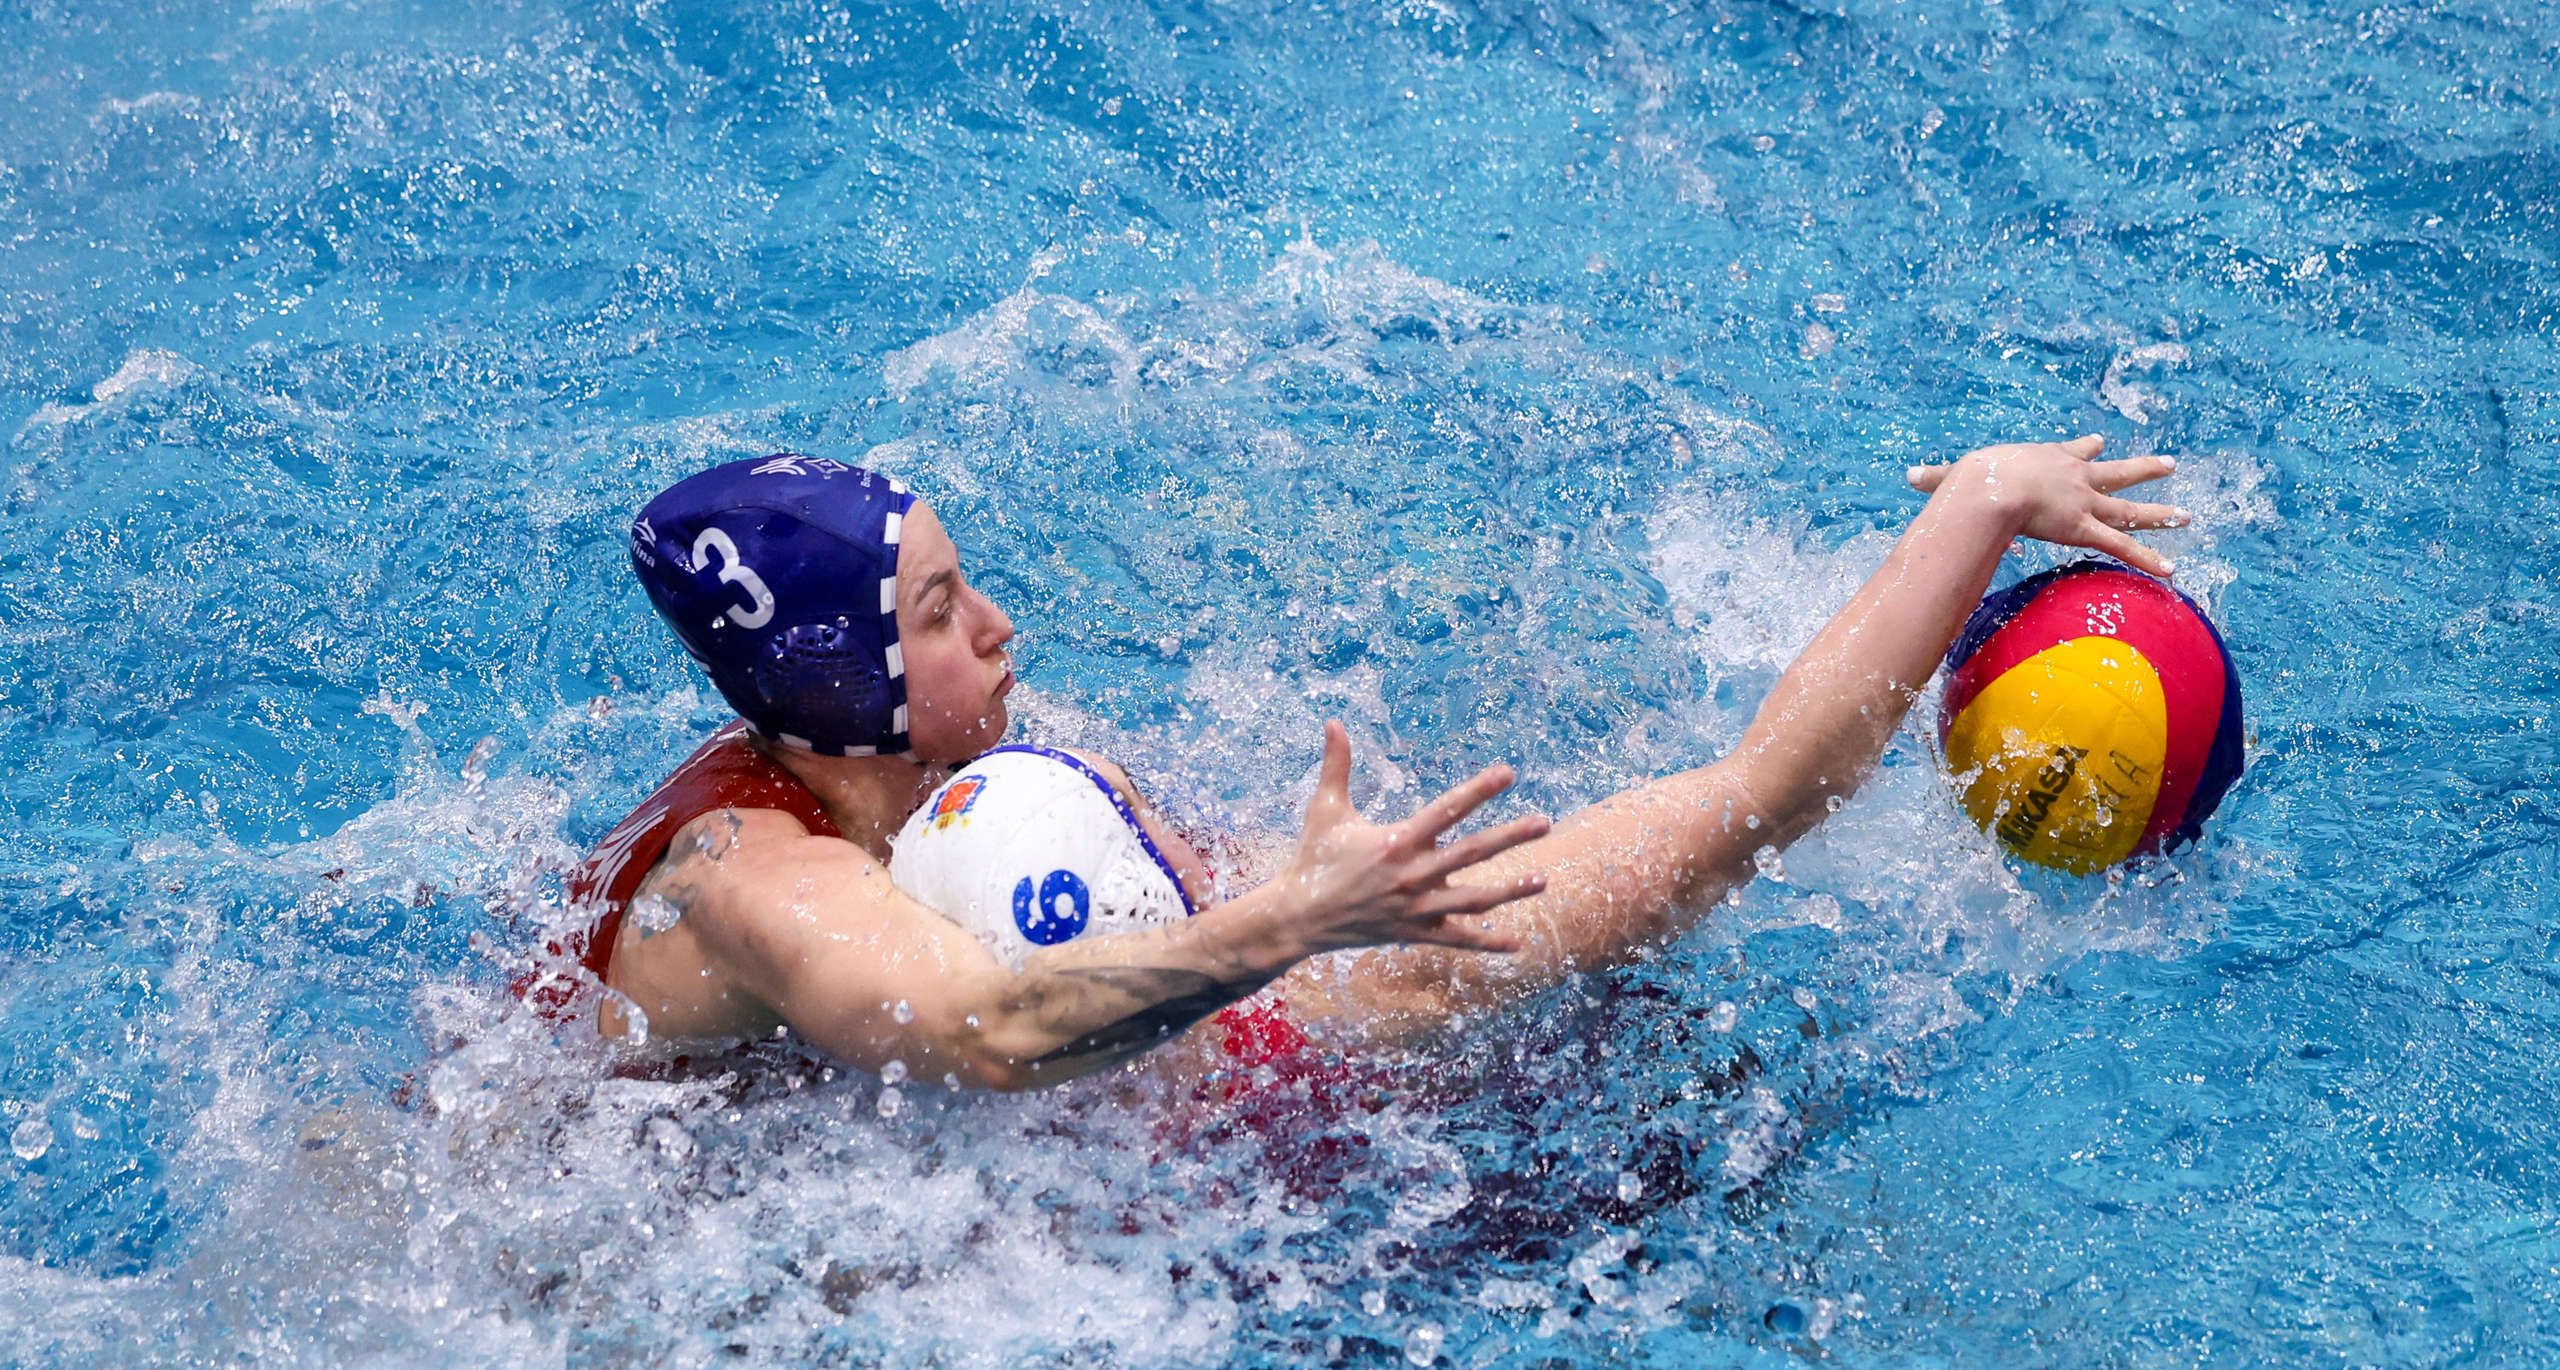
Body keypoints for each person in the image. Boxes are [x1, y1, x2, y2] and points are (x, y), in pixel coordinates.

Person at [543, 438, 2187, 1091]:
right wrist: (1289, 929)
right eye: (940, 614)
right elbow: (976, 1031)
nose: (1003, 624)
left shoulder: (891, 771)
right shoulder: (759, 880)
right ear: (840, 682)